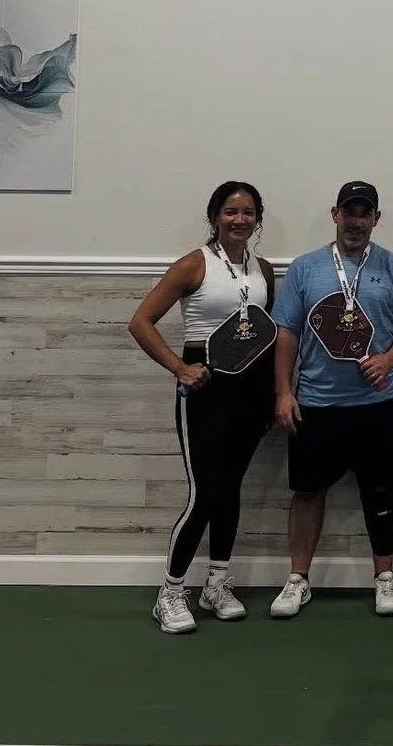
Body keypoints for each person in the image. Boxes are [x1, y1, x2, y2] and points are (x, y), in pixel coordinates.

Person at [268, 181, 393, 619]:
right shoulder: (305, 268)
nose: (356, 222)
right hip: (317, 402)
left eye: (364, 213)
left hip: (380, 402)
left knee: (381, 489)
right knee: (308, 491)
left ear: (376, 219)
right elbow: (286, 331)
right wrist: (284, 391)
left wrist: (390, 359)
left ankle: (385, 577)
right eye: (349, 212)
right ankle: (298, 579)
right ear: (334, 214)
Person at [129, 181, 277, 634]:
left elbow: (266, 331)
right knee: (205, 493)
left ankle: (216, 584)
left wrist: (272, 393)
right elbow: (141, 322)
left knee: (230, 490)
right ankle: (170, 593)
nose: (239, 220)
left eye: (248, 212)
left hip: (250, 389)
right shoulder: (194, 264)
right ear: (215, 216)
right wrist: (179, 368)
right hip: (207, 388)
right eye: (231, 211)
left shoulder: (264, 269)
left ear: (257, 219)